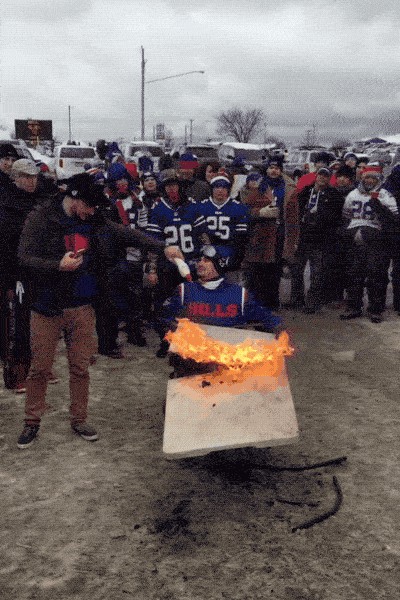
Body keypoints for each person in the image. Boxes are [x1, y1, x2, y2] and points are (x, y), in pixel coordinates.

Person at [16, 173, 183, 448]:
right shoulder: (42, 217)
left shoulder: (91, 219)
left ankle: (79, 419)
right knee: (40, 369)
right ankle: (31, 422)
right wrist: (57, 265)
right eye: (89, 206)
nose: (92, 212)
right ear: (74, 199)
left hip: (82, 305)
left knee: (80, 367)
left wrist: (163, 248)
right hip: (46, 306)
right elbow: (23, 257)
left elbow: (124, 232)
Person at [162, 245, 283, 377]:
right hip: (190, 364)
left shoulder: (240, 295)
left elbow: (268, 320)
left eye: (207, 260)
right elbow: (164, 320)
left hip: (226, 367)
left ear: (220, 264)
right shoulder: (184, 290)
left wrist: (279, 334)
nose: (200, 263)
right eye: (200, 259)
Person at [0, 159, 50, 393]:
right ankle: (16, 373)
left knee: (42, 321)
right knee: (17, 324)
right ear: (15, 178)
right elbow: (5, 247)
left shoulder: (40, 201)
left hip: (40, 271)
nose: (31, 181)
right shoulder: (6, 205)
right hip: (16, 273)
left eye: (34, 177)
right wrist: (8, 279)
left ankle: (39, 367)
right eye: (26, 177)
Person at [340, 165, 398, 323]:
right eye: (367, 177)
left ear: (378, 179)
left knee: (376, 274)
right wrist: (348, 232)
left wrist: (378, 207)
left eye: (373, 178)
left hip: (376, 240)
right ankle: (353, 306)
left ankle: (376, 309)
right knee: (354, 274)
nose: (370, 180)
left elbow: (394, 218)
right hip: (355, 237)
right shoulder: (353, 194)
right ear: (362, 178)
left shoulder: (385, 195)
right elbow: (346, 215)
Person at [242, 157, 299, 309]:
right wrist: (259, 212)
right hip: (260, 236)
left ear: (281, 170)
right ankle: (254, 305)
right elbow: (243, 211)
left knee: (274, 271)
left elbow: (294, 218)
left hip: (280, 234)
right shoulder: (257, 188)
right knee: (257, 272)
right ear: (266, 169)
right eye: (271, 167)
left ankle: (271, 304)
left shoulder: (289, 190)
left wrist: (292, 241)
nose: (274, 170)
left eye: (277, 168)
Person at [290, 167, 344, 313]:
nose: (322, 178)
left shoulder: (334, 195)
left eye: (326, 176)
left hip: (320, 239)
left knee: (317, 273)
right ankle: (296, 300)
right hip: (302, 237)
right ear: (316, 176)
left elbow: (337, 217)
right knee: (296, 270)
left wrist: (320, 216)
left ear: (329, 178)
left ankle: (312, 302)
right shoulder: (305, 192)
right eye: (320, 175)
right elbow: (295, 210)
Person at [199, 174, 250, 282]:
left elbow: (241, 238)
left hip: (230, 253)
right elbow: (198, 233)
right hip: (207, 255)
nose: (220, 190)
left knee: (230, 291)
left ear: (228, 189)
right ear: (212, 189)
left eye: (224, 187)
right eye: (217, 187)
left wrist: (236, 257)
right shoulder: (201, 207)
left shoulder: (238, 208)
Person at [382, 164, 400, 314]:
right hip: (387, 234)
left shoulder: (386, 187)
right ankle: (379, 304)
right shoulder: (386, 189)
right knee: (381, 271)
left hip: (388, 233)